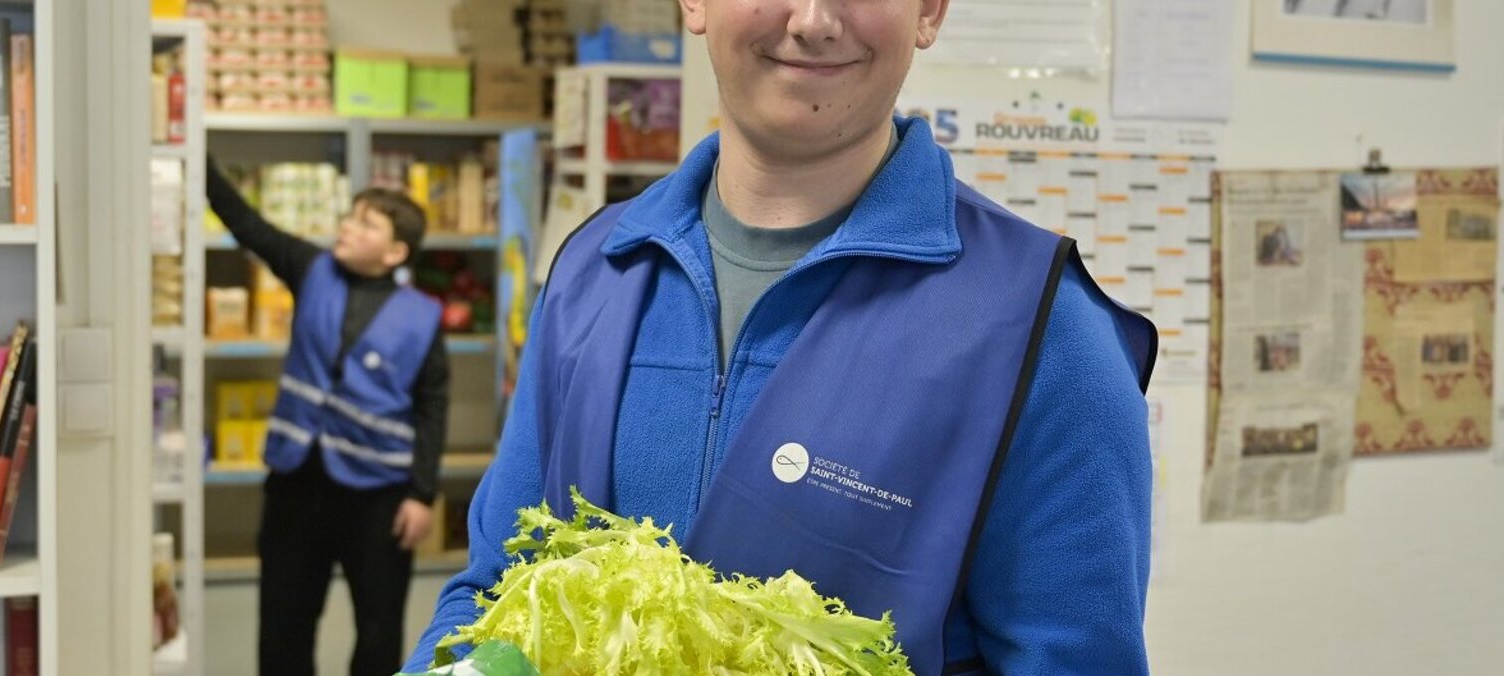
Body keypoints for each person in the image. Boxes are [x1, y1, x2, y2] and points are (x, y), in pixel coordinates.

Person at [407, 0, 1155, 673]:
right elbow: (491, 592)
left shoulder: (1042, 328)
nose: (813, 19)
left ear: (929, 11)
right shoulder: (594, 270)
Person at [206, 160, 450, 676]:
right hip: (296, 482)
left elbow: (433, 405)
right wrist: (200, 161)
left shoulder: (423, 316)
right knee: (283, 625)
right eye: (350, 216)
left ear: (395, 252)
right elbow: (247, 224)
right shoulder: (310, 268)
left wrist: (422, 493)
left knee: (379, 630)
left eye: (366, 224)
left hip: (379, 495)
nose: (347, 227)